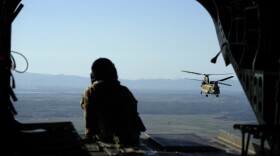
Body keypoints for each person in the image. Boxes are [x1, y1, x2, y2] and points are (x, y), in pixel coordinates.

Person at [80, 58, 146, 147]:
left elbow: (89, 117)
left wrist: (89, 135)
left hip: (108, 138)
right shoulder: (124, 90)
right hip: (131, 137)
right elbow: (134, 111)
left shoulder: (91, 92)